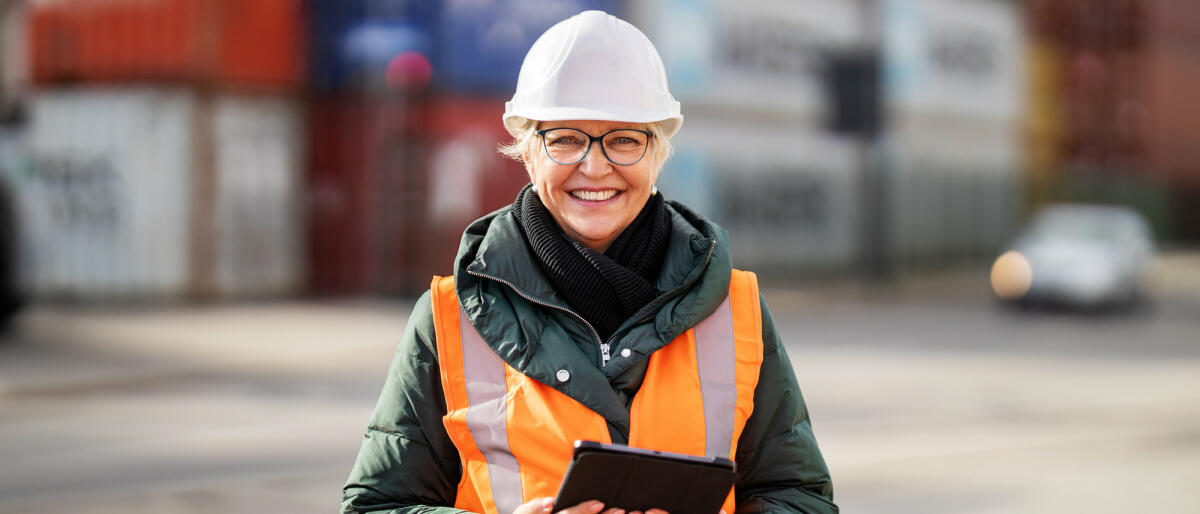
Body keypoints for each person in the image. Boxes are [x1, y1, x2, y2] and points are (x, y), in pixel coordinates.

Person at [342, 10, 836, 514]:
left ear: (657, 153)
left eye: (624, 139)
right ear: (527, 152)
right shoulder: (448, 319)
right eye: (566, 139)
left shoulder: (737, 311)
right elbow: (376, 506)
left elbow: (800, 497)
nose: (595, 166)